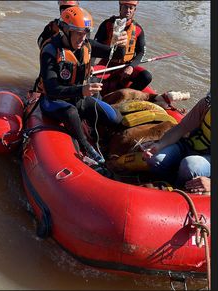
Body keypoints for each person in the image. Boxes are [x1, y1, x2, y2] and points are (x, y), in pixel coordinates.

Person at [37, 7, 125, 165]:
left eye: (85, 33)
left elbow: (117, 55)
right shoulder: (50, 51)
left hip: (79, 98)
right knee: (70, 112)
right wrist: (81, 90)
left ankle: (99, 136)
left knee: (116, 118)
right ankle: (85, 146)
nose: (82, 38)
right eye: (78, 33)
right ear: (65, 30)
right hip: (53, 101)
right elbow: (52, 90)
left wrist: (121, 43)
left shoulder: (86, 44)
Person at [143, 93, 211, 194]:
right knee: (155, 159)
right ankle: (163, 183)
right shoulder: (207, 104)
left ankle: (178, 190)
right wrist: (159, 145)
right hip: (188, 145)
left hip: (208, 159)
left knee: (190, 165)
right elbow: (181, 128)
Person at [94, 0, 152, 92]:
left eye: (131, 8)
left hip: (126, 66)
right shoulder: (107, 24)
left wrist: (131, 66)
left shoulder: (138, 29)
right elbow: (94, 47)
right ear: (120, 7)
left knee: (146, 76)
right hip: (107, 65)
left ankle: (127, 96)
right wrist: (90, 66)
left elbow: (141, 52)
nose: (128, 10)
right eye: (125, 7)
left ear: (134, 10)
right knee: (91, 76)